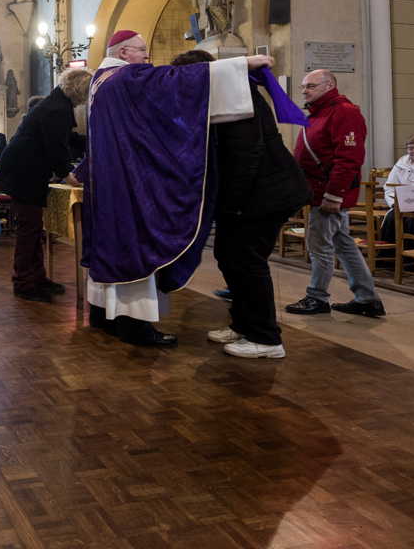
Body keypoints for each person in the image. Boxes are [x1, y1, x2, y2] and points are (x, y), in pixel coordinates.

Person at [75, 30, 273, 347]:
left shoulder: (101, 80)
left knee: (113, 246)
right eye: (141, 50)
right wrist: (241, 64)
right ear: (124, 52)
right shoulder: (126, 78)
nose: (146, 57)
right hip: (127, 187)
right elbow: (174, 81)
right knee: (135, 247)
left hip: (109, 187)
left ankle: (105, 316)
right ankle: (135, 325)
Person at [169, 50, 310, 359]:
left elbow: (246, 155)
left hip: (264, 194)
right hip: (252, 194)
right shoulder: (226, 93)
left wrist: (233, 205)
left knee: (247, 260)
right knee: (229, 255)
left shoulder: (237, 95)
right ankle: (244, 324)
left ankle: (266, 338)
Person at [285, 69, 387, 318]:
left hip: (328, 194)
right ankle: (367, 298)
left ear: (329, 85)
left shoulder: (344, 112)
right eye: (303, 86)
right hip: (318, 191)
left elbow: (349, 159)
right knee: (344, 245)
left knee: (319, 246)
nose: (304, 90)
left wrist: (334, 195)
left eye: (310, 85)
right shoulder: (318, 114)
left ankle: (317, 297)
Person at [0, 68, 91, 302]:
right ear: (78, 88)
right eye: (87, 90)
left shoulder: (57, 104)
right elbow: (55, 147)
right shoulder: (57, 108)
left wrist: (94, 141)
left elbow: (67, 139)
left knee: (35, 229)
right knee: (29, 230)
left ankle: (37, 278)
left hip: (26, 172)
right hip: (23, 173)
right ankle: (24, 282)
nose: (88, 95)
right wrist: (66, 173)